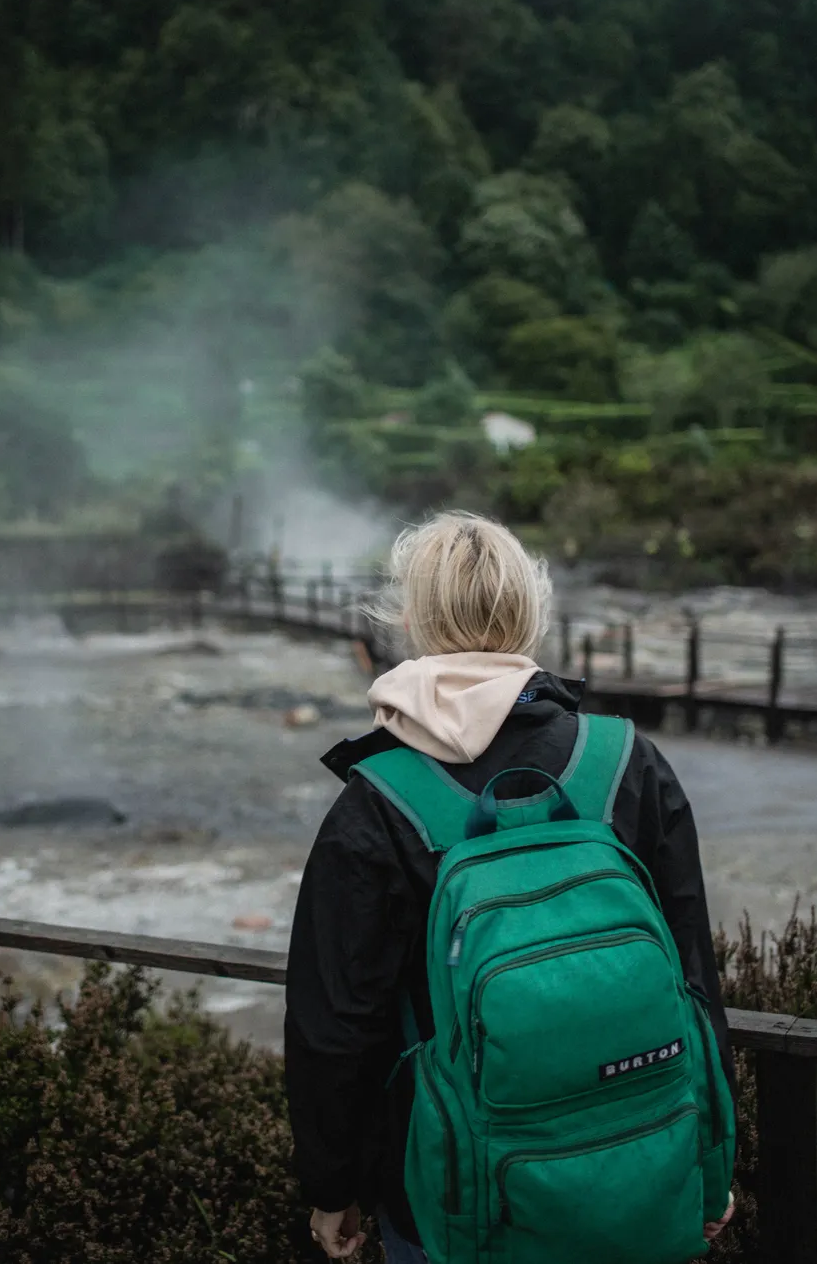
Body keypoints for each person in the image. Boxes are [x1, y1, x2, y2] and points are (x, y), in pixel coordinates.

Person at [285, 512, 736, 1262]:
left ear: (410, 621)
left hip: (455, 1194)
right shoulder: (629, 763)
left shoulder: (378, 801)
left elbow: (336, 1026)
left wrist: (333, 1187)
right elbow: (694, 980)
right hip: (647, 1167)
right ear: (534, 610)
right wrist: (712, 1161)